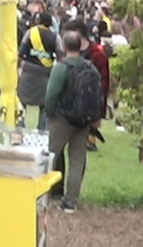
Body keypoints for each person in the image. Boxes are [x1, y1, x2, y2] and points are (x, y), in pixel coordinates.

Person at [43, 30, 94, 213]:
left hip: (61, 119)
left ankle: (43, 195)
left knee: (50, 156)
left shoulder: (61, 68)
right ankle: (71, 201)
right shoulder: (90, 68)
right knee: (77, 160)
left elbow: (51, 95)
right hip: (83, 119)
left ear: (64, 47)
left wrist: (50, 113)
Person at [17, 14, 57, 129]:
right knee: (45, 105)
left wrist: (18, 68)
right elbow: (60, 55)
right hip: (46, 74)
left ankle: (20, 126)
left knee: (21, 102)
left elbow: (21, 53)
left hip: (28, 72)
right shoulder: (55, 37)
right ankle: (42, 130)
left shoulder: (30, 33)